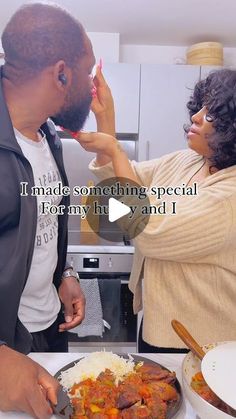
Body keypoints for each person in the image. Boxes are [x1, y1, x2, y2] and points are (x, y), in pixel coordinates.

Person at [78, 68, 236, 352]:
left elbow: (147, 230)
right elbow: (117, 179)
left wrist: (116, 150)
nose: (196, 117)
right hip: (159, 324)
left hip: (202, 344)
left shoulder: (229, 198)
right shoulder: (190, 161)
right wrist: (105, 115)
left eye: (211, 115)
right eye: (200, 107)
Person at [0, 2, 97, 416]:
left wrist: (66, 273)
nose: (93, 87)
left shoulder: (48, 136)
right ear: (61, 72)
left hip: (48, 327)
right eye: (89, 73)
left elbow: (43, 222)